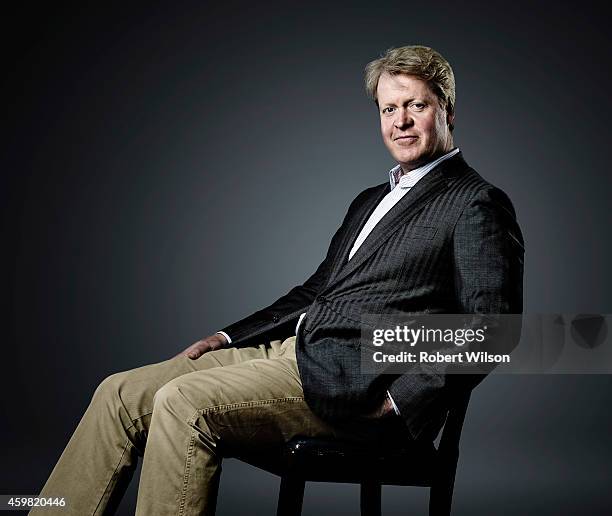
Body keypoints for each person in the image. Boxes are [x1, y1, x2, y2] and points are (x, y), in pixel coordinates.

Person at [31, 45, 524, 515]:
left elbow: (494, 327)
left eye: (416, 105)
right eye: (388, 108)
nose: (400, 122)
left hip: (352, 386)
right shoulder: (370, 199)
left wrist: (402, 399)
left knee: (183, 403)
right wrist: (228, 337)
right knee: (118, 394)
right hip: (293, 352)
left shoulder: (474, 202)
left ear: (447, 111)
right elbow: (317, 292)